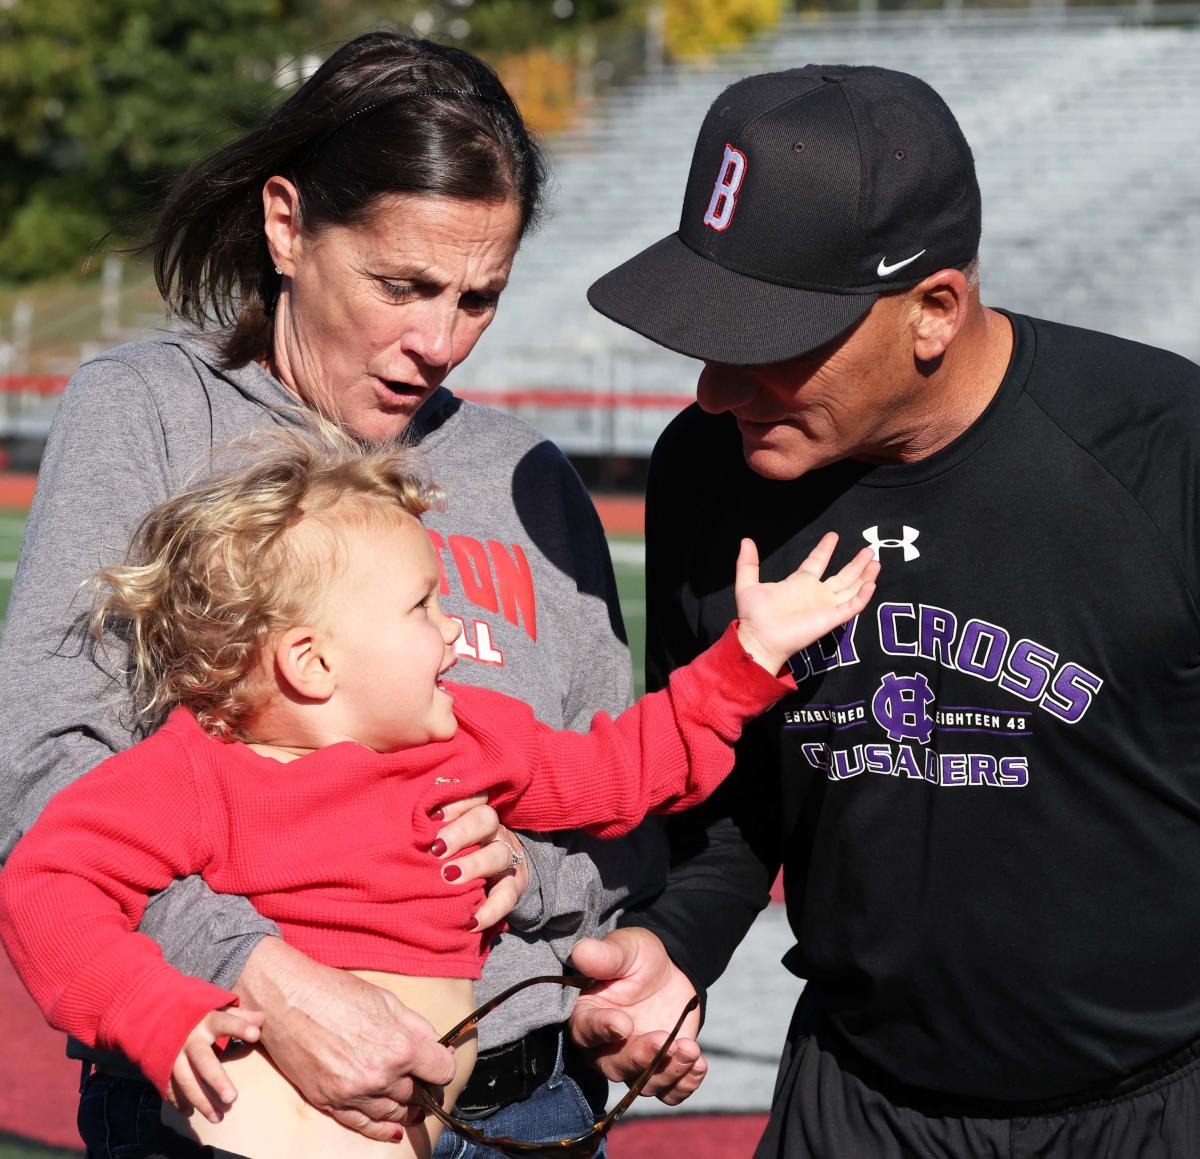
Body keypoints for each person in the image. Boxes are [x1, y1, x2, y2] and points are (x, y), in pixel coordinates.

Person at [0, 31, 670, 1159]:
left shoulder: (532, 480)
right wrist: (262, 970)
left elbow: (621, 819)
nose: (438, 341)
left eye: (478, 299)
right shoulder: (156, 415)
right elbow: (47, 770)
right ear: (286, 226)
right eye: (402, 285)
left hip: (522, 1102)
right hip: (239, 1096)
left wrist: (545, 874)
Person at [570, 63, 1200, 1156]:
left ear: (934, 313)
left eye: (768, 342)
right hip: (856, 1104)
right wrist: (678, 942)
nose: (716, 388)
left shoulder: (1166, 454)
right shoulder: (707, 474)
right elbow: (731, 795)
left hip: (1155, 1108)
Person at [0, 424, 878, 1159]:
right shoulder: (194, 773)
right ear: (313, 662)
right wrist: (149, 1006)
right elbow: (46, 885)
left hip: (461, 1120)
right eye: (423, 606)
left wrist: (746, 660)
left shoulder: (470, 738)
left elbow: (623, 771)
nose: (457, 630)